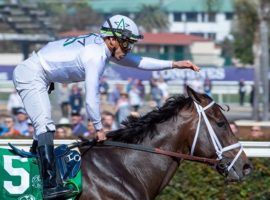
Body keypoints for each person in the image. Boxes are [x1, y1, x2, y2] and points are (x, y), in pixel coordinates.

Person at [12, 14, 200, 199]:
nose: (129, 48)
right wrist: (98, 127)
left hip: (40, 71)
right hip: (32, 74)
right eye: (127, 42)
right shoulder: (96, 55)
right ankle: (49, 185)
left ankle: (36, 167)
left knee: (42, 128)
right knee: (44, 125)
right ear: (111, 39)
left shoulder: (102, 46)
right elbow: (91, 95)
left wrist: (175, 64)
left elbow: (138, 62)